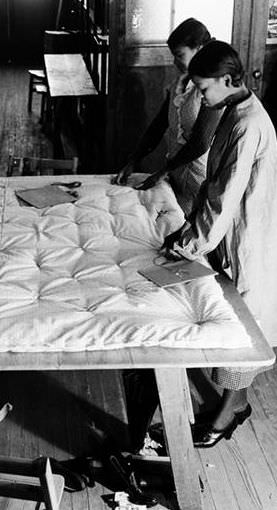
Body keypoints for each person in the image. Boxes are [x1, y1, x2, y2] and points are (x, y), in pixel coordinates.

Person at [162, 41, 277, 447]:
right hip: (230, 229)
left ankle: (229, 413)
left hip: (246, 233)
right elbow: (212, 186)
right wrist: (190, 232)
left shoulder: (248, 124)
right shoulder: (233, 110)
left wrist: (191, 242)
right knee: (230, 314)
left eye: (205, 88)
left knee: (240, 323)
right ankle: (233, 404)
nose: (202, 96)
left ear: (228, 81)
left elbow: (224, 198)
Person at [113, 18, 222, 216]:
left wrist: (162, 171)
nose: (175, 62)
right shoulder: (180, 84)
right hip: (177, 174)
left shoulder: (213, 88)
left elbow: (201, 143)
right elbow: (159, 125)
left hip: (202, 179)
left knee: (194, 232)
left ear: (199, 49)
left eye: (180, 55)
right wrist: (134, 160)